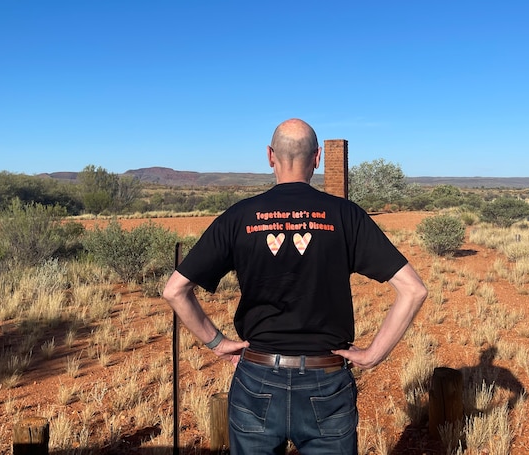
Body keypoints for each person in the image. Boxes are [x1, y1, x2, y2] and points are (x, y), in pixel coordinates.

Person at [162, 118, 427, 455]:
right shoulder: (346, 215)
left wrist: (216, 342)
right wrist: (374, 354)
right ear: (317, 158)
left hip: (256, 377)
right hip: (327, 380)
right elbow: (413, 289)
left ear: (270, 156)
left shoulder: (239, 216)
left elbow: (174, 290)